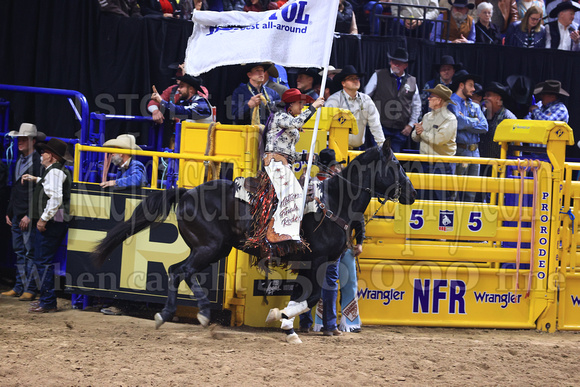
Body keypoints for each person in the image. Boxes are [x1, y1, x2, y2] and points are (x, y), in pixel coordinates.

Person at [310, 149, 364, 336]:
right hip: (333, 243)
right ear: (332, 167)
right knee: (332, 280)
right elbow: (357, 215)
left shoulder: (314, 185)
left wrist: (360, 240)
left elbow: (357, 215)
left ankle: (321, 322)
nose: (339, 169)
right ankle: (328, 323)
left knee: (321, 279)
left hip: (329, 243)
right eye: (337, 166)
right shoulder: (329, 187)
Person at [24, 138, 72, 313]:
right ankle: (46, 299)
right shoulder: (54, 171)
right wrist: (36, 179)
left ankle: (48, 301)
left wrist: (43, 218)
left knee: (42, 261)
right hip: (56, 221)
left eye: (44, 153)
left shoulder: (54, 173)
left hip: (52, 222)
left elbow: (56, 198)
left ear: (51, 156)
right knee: (42, 260)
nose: (41, 156)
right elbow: (51, 186)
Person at [1, 124, 45, 301]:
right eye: (18, 139)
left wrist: (30, 215)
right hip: (17, 213)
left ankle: (30, 288)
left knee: (29, 252)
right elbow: (15, 190)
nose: (20, 142)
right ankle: (19, 286)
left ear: (33, 141)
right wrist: (9, 211)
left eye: (23, 139)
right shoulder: (20, 161)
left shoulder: (38, 162)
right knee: (20, 252)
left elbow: (39, 193)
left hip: (27, 215)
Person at [365, 47, 421, 153]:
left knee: (394, 160)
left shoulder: (411, 81)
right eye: (394, 62)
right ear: (390, 62)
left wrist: (410, 125)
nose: (396, 65)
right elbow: (365, 98)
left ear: (406, 65)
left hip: (400, 130)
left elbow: (416, 106)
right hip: (379, 127)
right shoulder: (379, 75)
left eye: (400, 63)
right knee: (378, 157)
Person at [411, 84, 458, 201]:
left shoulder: (450, 119)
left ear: (439, 100)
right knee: (423, 198)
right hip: (424, 163)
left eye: (431, 96)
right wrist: (417, 132)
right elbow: (414, 137)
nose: (428, 98)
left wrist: (421, 133)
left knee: (441, 199)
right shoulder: (427, 116)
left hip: (441, 165)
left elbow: (439, 140)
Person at [448, 70, 489, 202]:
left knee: (471, 191)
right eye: (470, 85)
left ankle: (466, 220)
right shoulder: (451, 102)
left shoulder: (474, 105)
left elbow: (484, 127)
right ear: (461, 85)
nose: (473, 89)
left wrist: (465, 120)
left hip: (475, 151)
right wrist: (473, 121)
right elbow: (458, 123)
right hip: (460, 150)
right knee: (456, 189)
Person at [325, 65, 385, 150]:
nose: (356, 80)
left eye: (357, 78)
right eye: (351, 78)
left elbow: (375, 124)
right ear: (343, 83)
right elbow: (327, 126)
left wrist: (382, 145)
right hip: (337, 149)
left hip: (358, 149)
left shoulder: (366, 99)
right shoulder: (334, 100)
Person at [480, 82, 517, 159]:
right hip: (482, 163)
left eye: (488, 95)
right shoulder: (483, 114)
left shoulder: (508, 118)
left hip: (501, 166)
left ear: (498, 98)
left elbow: (515, 146)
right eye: (485, 95)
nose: (484, 98)